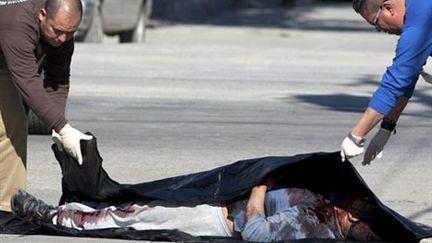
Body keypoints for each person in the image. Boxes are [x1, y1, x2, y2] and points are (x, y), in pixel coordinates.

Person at [10, 183, 381, 241]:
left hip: (216, 216)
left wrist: (258, 192)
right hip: (218, 198)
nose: (363, 200)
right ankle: (68, 210)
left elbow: (256, 235)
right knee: (127, 206)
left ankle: (48, 216)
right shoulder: (325, 207)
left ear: (353, 215)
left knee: (129, 216)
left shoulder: (314, 221)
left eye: (364, 206)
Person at [0, 0, 92, 222]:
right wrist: (63, 127)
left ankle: (5, 209)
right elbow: (28, 82)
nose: (62, 39)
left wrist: (57, 127)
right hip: (11, 60)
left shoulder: (63, 36)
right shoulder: (17, 24)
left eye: (70, 33)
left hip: (5, 62)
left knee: (14, 128)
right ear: (42, 15)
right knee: (6, 127)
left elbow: (57, 81)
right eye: (57, 31)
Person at [340, 0, 432, 164]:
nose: (378, 29)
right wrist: (386, 128)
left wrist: (356, 136)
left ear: (388, 8)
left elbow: (394, 83)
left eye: (375, 22)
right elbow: (406, 79)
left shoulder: (420, 19)